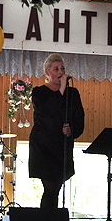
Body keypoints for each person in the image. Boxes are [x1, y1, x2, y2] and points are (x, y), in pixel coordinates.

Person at [29, 53, 85, 208]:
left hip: (62, 147)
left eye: (62, 68)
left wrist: (71, 131)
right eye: (56, 69)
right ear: (47, 72)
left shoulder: (72, 93)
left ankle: (51, 220)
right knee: (51, 189)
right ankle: (48, 220)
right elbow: (47, 111)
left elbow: (79, 118)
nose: (61, 72)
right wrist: (61, 89)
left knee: (55, 189)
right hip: (43, 147)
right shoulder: (39, 92)